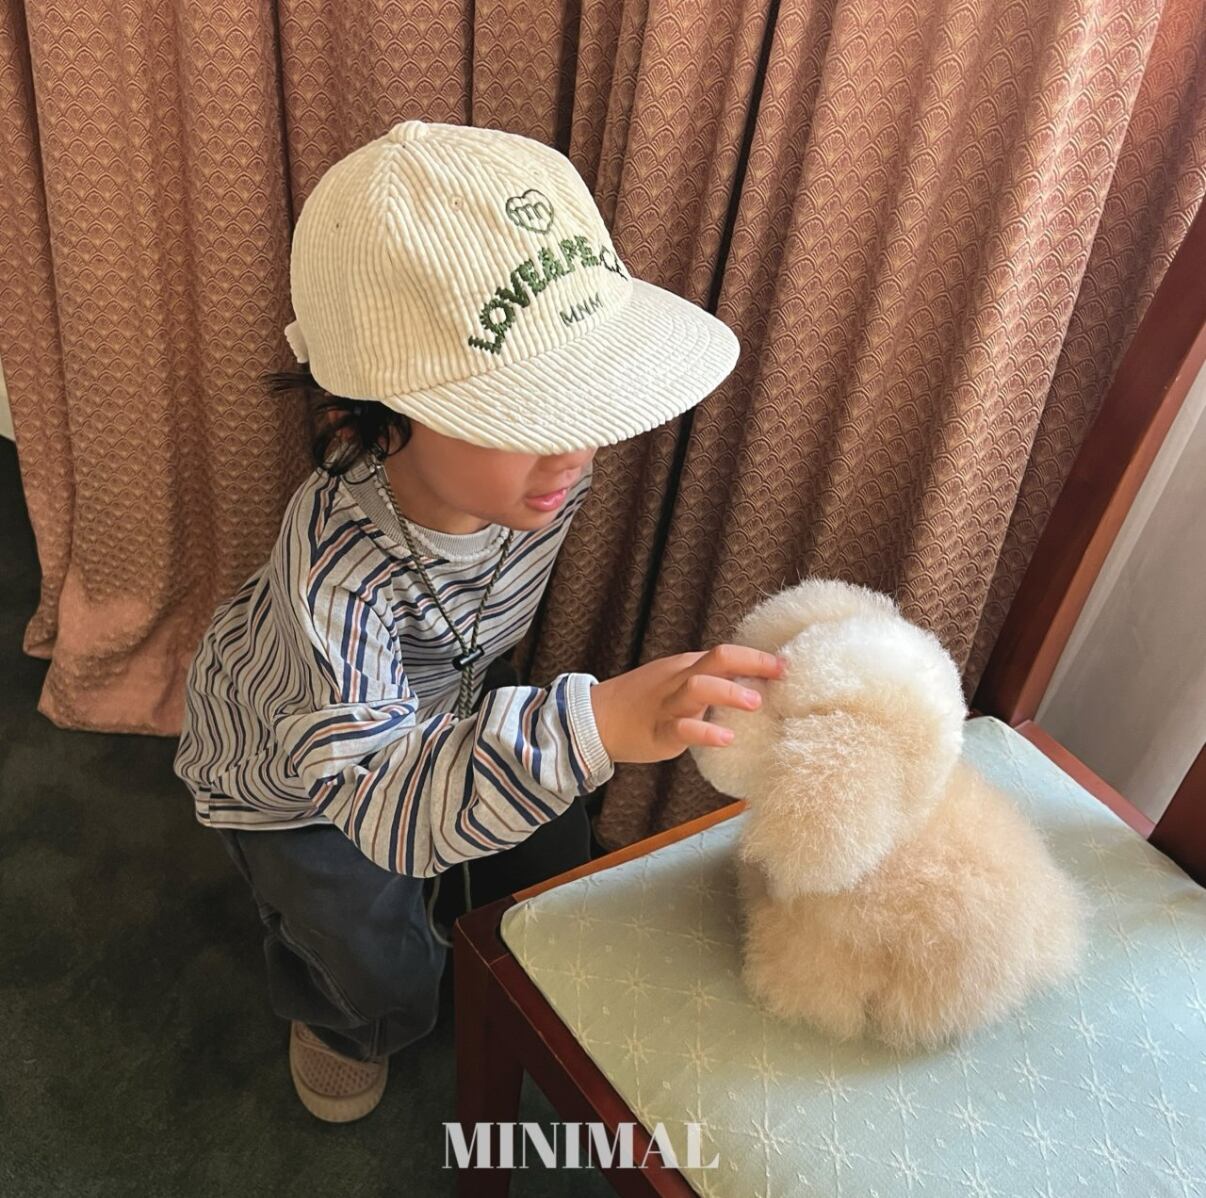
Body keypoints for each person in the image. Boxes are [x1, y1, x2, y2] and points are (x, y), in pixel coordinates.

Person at [173, 117, 789, 1123]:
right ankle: (343, 1017)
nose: (572, 451)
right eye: (523, 414)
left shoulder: (542, 479)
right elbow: (379, 804)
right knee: (364, 940)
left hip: (445, 694)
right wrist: (596, 724)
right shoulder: (336, 575)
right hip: (303, 777)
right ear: (374, 409)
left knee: (545, 857)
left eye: (582, 400)